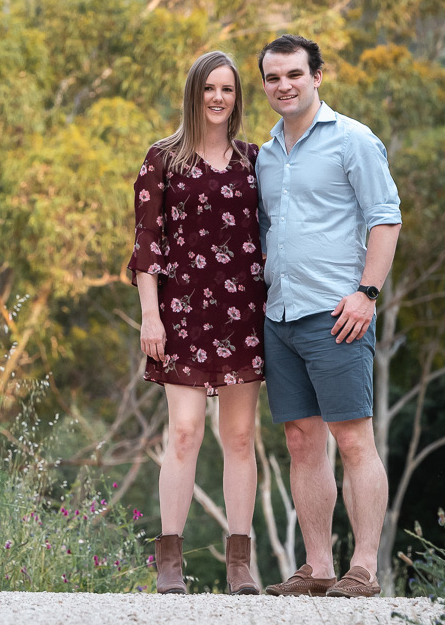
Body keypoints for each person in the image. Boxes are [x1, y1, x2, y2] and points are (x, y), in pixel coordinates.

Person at [254, 35, 402, 598]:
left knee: (352, 439)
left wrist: (367, 293)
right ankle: (317, 567)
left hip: (337, 314)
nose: (283, 85)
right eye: (273, 78)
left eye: (294, 74)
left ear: (318, 76)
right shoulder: (265, 155)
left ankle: (363, 567)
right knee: (299, 440)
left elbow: (384, 219)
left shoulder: (353, 140)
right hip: (281, 316)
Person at [128, 50, 266, 595]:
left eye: (228, 90)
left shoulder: (255, 159)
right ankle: (169, 563)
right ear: (194, 93)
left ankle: (239, 565)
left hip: (243, 318)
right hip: (179, 317)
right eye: (209, 88)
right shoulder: (161, 158)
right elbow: (146, 247)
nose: (218, 98)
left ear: (237, 98)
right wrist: (150, 316)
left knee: (239, 437)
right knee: (183, 434)